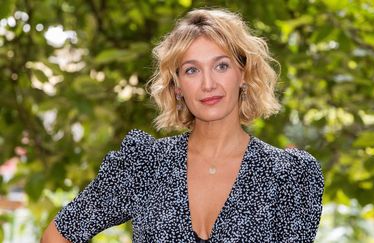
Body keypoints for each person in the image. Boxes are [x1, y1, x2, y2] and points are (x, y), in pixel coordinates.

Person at [41, 8, 324, 243]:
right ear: (177, 86)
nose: (208, 84)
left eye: (221, 66)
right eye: (192, 70)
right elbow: (58, 236)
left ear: (244, 74)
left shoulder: (289, 176)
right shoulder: (145, 165)